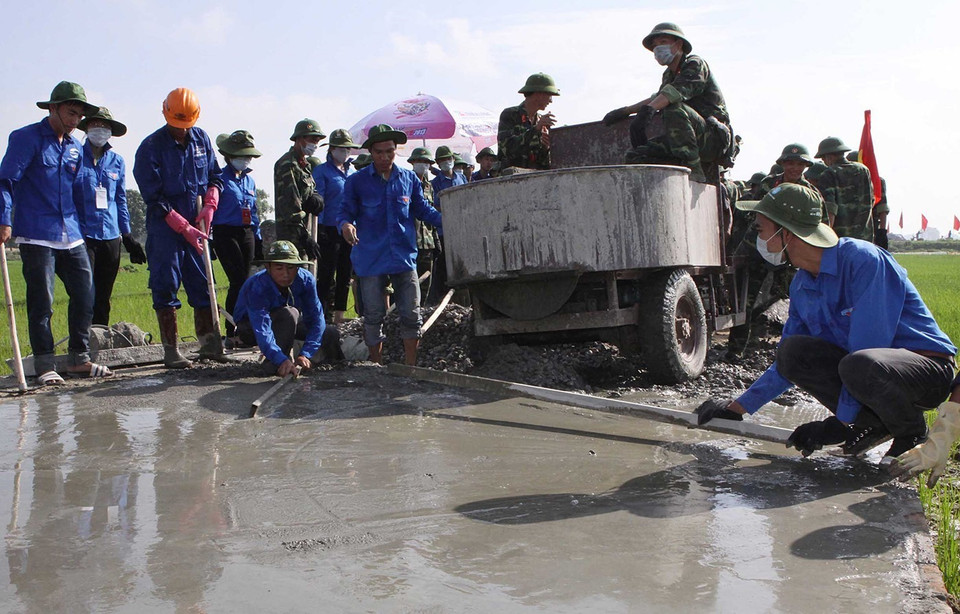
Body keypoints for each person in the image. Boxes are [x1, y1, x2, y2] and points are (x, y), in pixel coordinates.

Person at [695, 184, 956, 467]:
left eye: (760, 229)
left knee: (858, 363)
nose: (757, 237)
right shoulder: (803, 284)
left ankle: (910, 432)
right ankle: (874, 424)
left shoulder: (863, 261)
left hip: (923, 371)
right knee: (794, 352)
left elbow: (869, 346)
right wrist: (738, 408)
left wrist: (839, 424)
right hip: (865, 372)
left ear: (786, 232)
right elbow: (785, 363)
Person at [0, 81, 113, 384]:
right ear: (53, 108)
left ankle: (79, 358)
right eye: (71, 113)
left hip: (72, 232)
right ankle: (45, 364)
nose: (76, 120)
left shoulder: (77, 148)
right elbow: (6, 181)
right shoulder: (26, 138)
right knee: (42, 300)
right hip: (37, 232)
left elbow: (79, 192)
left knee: (85, 293)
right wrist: (4, 218)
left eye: (79, 115)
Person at [133, 87, 224, 368]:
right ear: (166, 114)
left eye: (187, 125)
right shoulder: (150, 148)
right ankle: (171, 350)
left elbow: (215, 176)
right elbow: (153, 197)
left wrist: (211, 202)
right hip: (166, 227)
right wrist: (182, 227)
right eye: (177, 125)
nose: (182, 130)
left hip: (197, 220)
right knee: (166, 281)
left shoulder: (202, 139)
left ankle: (209, 343)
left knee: (203, 281)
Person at [338, 124, 443, 365]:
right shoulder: (357, 182)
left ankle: (410, 366)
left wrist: (448, 218)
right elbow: (344, 212)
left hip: (403, 256)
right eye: (379, 152)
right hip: (371, 258)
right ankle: (376, 365)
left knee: (411, 314)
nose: (385, 157)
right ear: (370, 152)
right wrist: (346, 225)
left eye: (390, 152)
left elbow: (422, 210)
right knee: (373, 315)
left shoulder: (408, 179)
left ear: (396, 151)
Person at [603, 22, 732, 183]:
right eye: (655, 46)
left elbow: (672, 94)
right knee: (638, 155)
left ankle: (695, 172)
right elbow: (659, 97)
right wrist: (626, 111)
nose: (658, 48)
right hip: (688, 138)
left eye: (663, 42)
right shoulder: (669, 75)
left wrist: (647, 112)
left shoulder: (695, 64)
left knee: (673, 108)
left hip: (713, 139)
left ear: (678, 44)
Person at [75, 106, 146, 326]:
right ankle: (81, 344)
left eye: (105, 127)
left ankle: (101, 340)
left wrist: (128, 236)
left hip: (111, 236)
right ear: (87, 128)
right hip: (84, 234)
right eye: (96, 125)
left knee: (104, 296)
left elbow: (120, 200)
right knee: (85, 293)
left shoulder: (117, 161)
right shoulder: (74, 156)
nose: (100, 130)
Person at [234, 241, 341, 377]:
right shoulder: (257, 286)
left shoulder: (305, 280)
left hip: (287, 322)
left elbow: (316, 319)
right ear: (268, 267)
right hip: (251, 328)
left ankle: (336, 367)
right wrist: (281, 359)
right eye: (279, 268)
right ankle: (276, 364)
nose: (286, 274)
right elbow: (262, 329)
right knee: (289, 313)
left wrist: (305, 354)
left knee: (329, 332)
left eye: (291, 268)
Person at [210, 130, 262, 341]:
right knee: (237, 280)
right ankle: (231, 329)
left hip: (247, 231)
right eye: (241, 156)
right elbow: (210, 208)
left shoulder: (249, 181)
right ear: (229, 156)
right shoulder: (219, 179)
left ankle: (247, 327)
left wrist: (257, 238)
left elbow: (255, 210)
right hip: (225, 232)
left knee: (249, 281)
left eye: (247, 156)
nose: (245, 160)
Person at [312, 129, 361, 324]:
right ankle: (321, 315)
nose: (345, 152)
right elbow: (319, 200)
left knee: (345, 272)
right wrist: (321, 228)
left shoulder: (352, 173)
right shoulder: (322, 171)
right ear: (332, 149)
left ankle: (339, 314)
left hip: (349, 228)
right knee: (326, 274)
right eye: (341, 149)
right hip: (329, 228)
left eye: (347, 149)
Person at [275, 119, 325, 262]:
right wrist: (304, 236)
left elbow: (308, 192)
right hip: (292, 236)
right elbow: (290, 204)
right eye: (312, 139)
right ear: (299, 138)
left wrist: (315, 197)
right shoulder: (288, 164)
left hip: (305, 229)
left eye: (317, 141)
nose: (315, 144)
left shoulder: (305, 165)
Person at [815, 136, 874, 241]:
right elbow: (871, 200)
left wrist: (824, 239)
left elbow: (830, 211)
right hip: (865, 238)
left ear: (829, 156)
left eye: (823, 158)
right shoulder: (863, 170)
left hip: (840, 240)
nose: (823, 161)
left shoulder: (829, 174)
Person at [428, 146, 467, 304]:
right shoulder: (435, 183)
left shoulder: (460, 178)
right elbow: (434, 205)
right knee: (444, 266)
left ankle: (462, 297)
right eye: (442, 160)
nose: (446, 162)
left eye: (448, 159)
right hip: (443, 230)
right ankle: (442, 298)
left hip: (462, 228)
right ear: (438, 163)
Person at [498, 73, 558, 170]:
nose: (551, 101)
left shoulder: (541, 121)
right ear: (538, 94)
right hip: (510, 181)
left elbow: (544, 164)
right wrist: (536, 129)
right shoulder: (510, 115)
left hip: (534, 179)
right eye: (549, 95)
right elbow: (508, 150)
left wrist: (545, 148)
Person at [408, 147, 439, 303]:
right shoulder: (406, 182)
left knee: (426, 283)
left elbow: (431, 212)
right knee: (410, 284)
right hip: (411, 241)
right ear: (413, 162)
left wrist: (436, 241)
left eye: (426, 162)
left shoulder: (429, 187)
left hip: (427, 243)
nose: (423, 165)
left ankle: (421, 312)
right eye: (419, 161)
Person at [847, 150, 889, 249]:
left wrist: (882, 232)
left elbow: (882, 208)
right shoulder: (846, 180)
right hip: (849, 226)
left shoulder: (877, 181)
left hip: (870, 227)